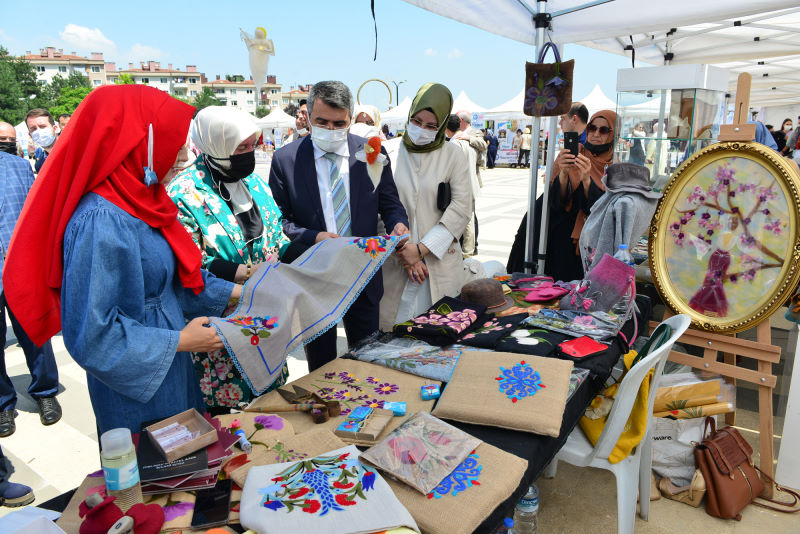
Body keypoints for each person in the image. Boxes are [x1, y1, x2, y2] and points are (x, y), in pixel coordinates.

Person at [2, 85, 241, 435]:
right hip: (136, 382)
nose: (182, 155)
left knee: (187, 470)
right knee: (154, 481)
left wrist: (242, 292)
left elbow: (173, 283)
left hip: (168, 364)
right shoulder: (101, 219)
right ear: (137, 144)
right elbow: (90, 333)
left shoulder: (141, 201)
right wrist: (180, 342)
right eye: (172, 141)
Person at [269, 80, 409, 371]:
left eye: (339, 123)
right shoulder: (286, 160)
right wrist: (312, 236)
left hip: (363, 274)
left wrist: (398, 224)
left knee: (366, 360)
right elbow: (279, 220)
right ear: (307, 115)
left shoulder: (372, 153)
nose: (331, 130)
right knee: (321, 367)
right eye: (322, 122)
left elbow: (390, 203)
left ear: (350, 118)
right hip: (315, 278)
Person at [168, 106, 291, 411]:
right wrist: (248, 273)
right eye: (241, 147)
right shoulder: (184, 193)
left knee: (271, 412)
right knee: (228, 424)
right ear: (216, 144)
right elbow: (190, 264)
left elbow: (278, 237)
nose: (249, 154)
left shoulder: (255, 184)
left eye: (253, 145)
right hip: (219, 326)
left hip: (264, 318)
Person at [380, 83, 472, 330]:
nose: (421, 130)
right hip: (395, 262)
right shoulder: (390, 152)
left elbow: (462, 207)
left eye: (431, 126)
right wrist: (405, 254)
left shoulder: (454, 155)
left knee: (436, 337)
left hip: (438, 263)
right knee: (393, 338)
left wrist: (421, 249)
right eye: (417, 121)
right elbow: (380, 206)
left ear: (442, 126)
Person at [507, 111, 616, 281]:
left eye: (604, 130)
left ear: (613, 133)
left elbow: (601, 207)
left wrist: (586, 178)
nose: (596, 134)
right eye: (592, 128)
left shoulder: (615, 165)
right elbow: (556, 199)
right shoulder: (576, 152)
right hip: (551, 229)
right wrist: (564, 173)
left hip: (584, 238)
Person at [0, 136, 61, 437]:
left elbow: (36, 214)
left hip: (20, 267)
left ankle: (46, 391)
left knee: (35, 333)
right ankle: (2, 405)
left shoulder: (18, 166)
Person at [445, 114, 479, 256]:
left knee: (462, 220)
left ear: (447, 129)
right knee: (469, 218)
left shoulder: (454, 144)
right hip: (472, 185)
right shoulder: (468, 142)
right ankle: (469, 249)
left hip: (460, 187)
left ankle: (466, 251)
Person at [25, 109, 57, 173]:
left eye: (42, 126)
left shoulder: (73, 152)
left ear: (55, 128)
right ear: (30, 134)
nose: (38, 131)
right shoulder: (39, 165)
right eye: (33, 128)